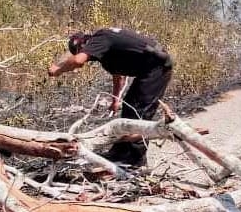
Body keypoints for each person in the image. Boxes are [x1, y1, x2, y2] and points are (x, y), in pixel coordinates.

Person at [48, 27, 173, 167]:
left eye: (82, 50)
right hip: (149, 69)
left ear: (83, 44)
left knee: (139, 111)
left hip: (158, 67)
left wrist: (58, 70)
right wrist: (115, 100)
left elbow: (78, 61)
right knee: (129, 107)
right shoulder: (107, 53)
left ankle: (136, 159)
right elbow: (118, 77)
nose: (88, 58)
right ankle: (119, 152)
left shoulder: (100, 38)